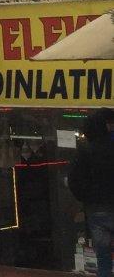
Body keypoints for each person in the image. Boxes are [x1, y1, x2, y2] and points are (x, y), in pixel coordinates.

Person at [68, 111, 114, 277]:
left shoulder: (85, 150)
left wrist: (86, 197)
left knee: (103, 257)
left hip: (95, 209)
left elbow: (74, 180)